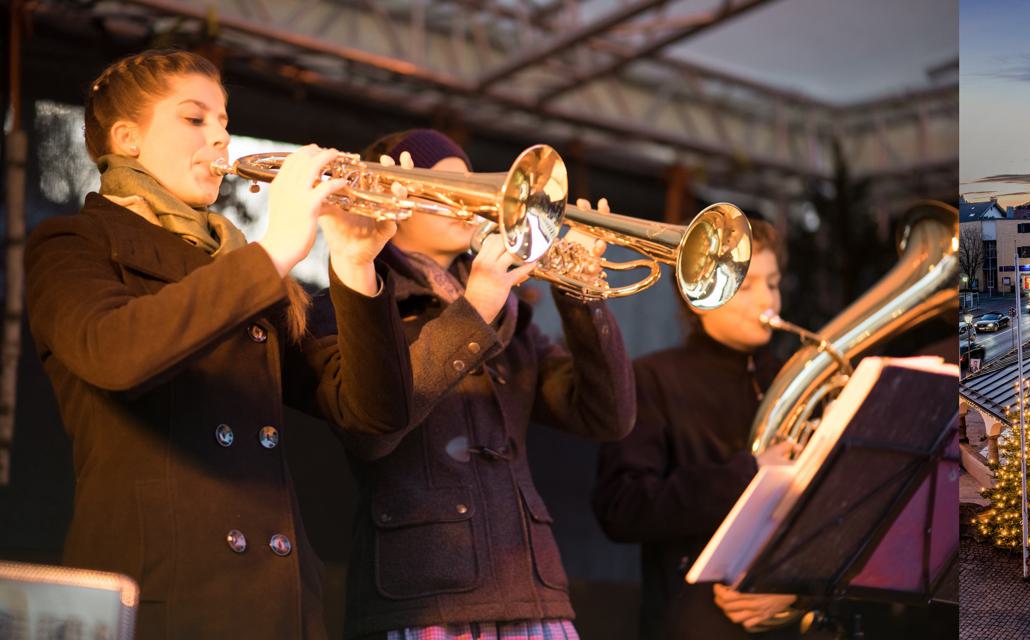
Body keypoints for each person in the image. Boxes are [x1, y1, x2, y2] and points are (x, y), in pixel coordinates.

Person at [26, 49, 419, 638]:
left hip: (282, 606)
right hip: (164, 600)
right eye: (194, 118)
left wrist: (355, 264)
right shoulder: (71, 244)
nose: (221, 139)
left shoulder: (237, 266)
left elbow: (375, 417)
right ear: (127, 138)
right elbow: (116, 353)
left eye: (224, 122)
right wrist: (274, 250)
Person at [314, 131, 638, 640]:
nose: (469, 200)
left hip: (531, 586)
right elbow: (372, 434)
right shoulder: (353, 304)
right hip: (423, 595)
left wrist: (582, 291)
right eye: (445, 186)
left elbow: (607, 416)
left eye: (473, 185)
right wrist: (475, 309)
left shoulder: (511, 314)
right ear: (392, 197)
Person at [594, 220, 812, 638]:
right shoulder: (652, 378)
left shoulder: (794, 379)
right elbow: (621, 508)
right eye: (746, 286)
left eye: (773, 283)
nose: (767, 300)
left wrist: (798, 590)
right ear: (700, 296)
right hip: (693, 622)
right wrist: (748, 476)